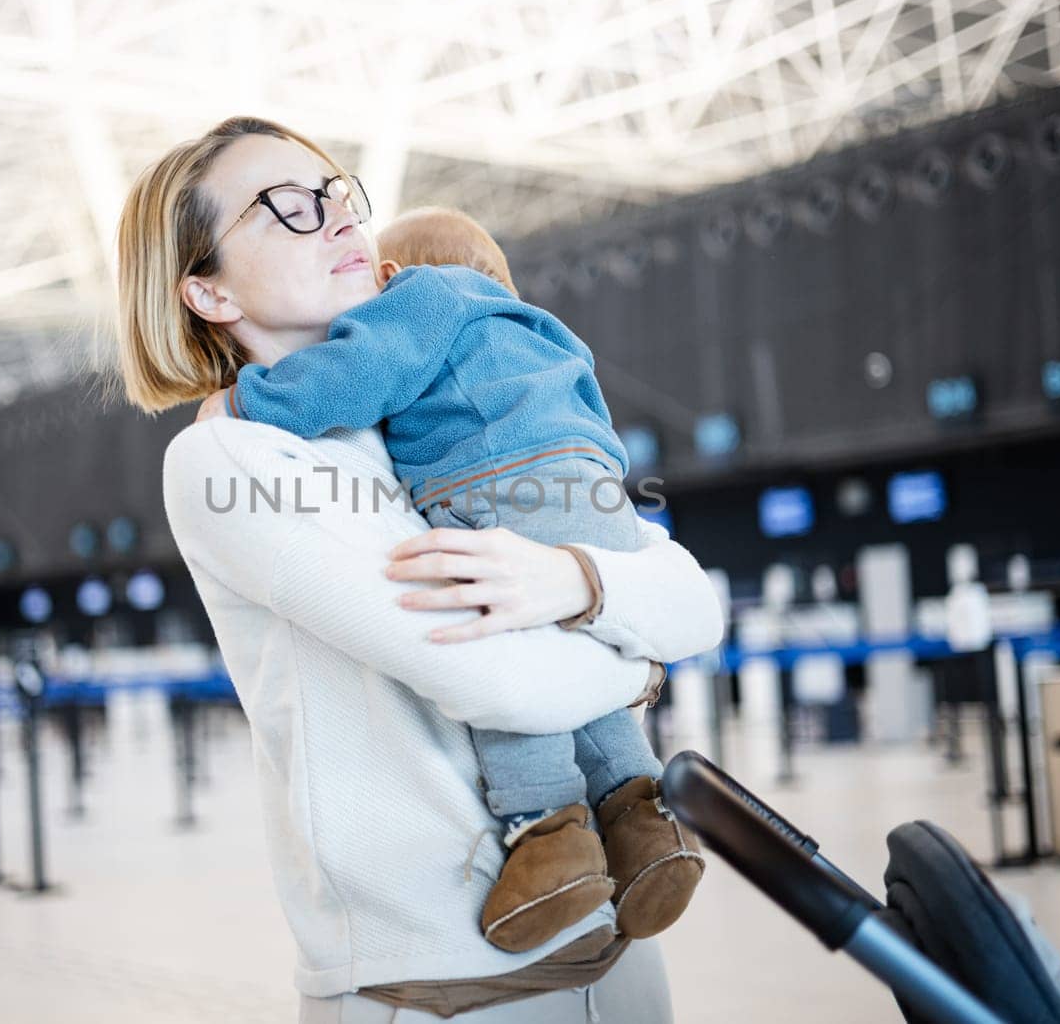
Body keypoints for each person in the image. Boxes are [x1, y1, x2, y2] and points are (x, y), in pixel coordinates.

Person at [116, 116, 725, 1021]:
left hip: (617, 959)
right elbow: (500, 676)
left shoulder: (431, 421)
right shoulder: (231, 456)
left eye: (335, 195)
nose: (332, 219)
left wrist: (579, 583)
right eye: (284, 207)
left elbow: (696, 601)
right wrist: (635, 648)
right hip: (444, 989)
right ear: (204, 290)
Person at [203, 204, 703, 954]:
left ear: (394, 278)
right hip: (599, 491)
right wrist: (626, 655)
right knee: (558, 631)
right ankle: (643, 820)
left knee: (489, 618)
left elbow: (352, 375)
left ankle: (549, 832)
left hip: (497, 484)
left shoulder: (422, 298)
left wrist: (246, 401)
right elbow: (675, 592)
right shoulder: (539, 327)